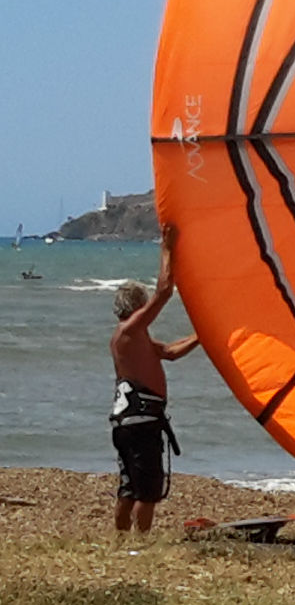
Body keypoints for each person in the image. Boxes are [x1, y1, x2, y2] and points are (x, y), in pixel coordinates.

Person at [109, 225, 199, 531]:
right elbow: (164, 291)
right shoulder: (130, 331)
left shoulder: (134, 339)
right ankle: (140, 546)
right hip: (141, 421)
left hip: (130, 422)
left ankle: (121, 544)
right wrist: (167, 249)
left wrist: (203, 335)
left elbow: (171, 352)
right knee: (147, 492)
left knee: (130, 488)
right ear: (135, 307)